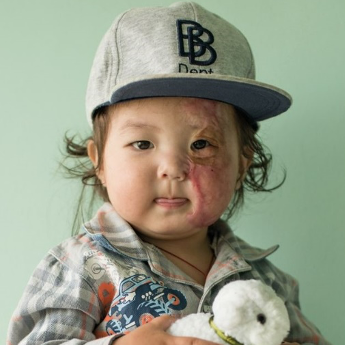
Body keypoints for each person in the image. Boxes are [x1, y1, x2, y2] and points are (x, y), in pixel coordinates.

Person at [7, 2, 330, 345]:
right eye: (143, 143)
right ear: (98, 160)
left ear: (243, 163)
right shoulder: (79, 266)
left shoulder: (267, 281)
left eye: (202, 143)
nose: (174, 168)